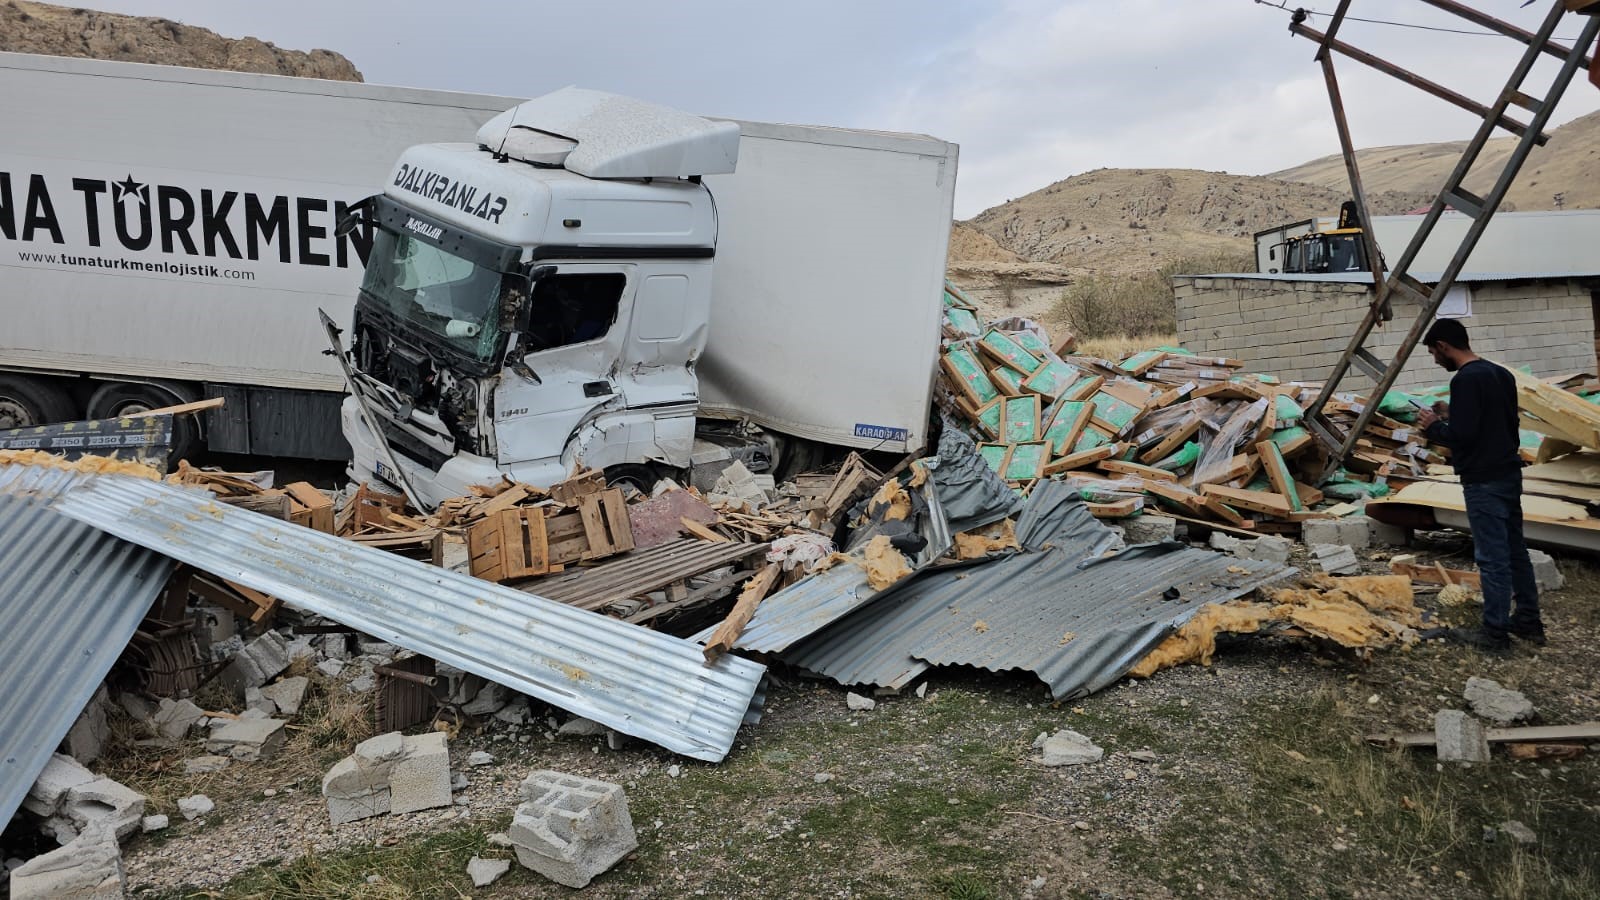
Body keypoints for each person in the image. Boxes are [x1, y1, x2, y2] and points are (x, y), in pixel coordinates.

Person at [1414, 318, 1544, 652]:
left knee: (1492, 557)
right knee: (1515, 551)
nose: (1434, 360)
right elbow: (1495, 421)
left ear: (1444, 346)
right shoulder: (1499, 374)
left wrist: (1433, 427)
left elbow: (1464, 436)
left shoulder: (1465, 380)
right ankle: (1529, 622)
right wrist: (1450, 414)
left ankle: (1495, 634)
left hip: (1483, 481)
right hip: (1508, 473)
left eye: (1433, 353)